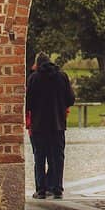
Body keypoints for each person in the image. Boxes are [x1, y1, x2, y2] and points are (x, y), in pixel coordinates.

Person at [25, 52, 75, 199]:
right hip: (58, 124)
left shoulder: (34, 78)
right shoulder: (62, 76)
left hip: (39, 125)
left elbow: (28, 103)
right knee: (57, 157)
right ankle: (57, 188)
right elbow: (70, 99)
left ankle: (41, 190)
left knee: (39, 158)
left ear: (37, 63)